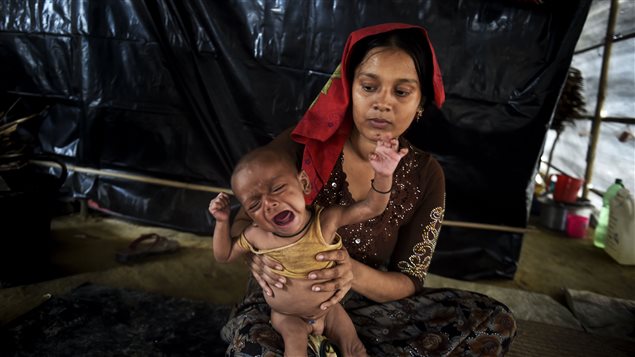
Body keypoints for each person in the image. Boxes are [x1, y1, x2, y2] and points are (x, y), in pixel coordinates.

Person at [220, 23, 517, 356]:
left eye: (401, 92)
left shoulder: (425, 174)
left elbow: (410, 280)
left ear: (420, 101)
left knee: (492, 320)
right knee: (259, 349)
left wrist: (349, 272)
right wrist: (258, 261)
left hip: (367, 312)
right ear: (350, 89)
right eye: (369, 87)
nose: (382, 103)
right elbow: (244, 222)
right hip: (287, 302)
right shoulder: (305, 143)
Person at [209, 140, 407, 357]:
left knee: (355, 347)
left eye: (277, 189)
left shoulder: (325, 221)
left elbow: (372, 207)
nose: (269, 204)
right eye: (255, 205)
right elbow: (224, 255)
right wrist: (221, 222)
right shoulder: (257, 235)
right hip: (288, 316)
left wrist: (384, 174)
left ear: (303, 183)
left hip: (329, 310)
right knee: (295, 347)